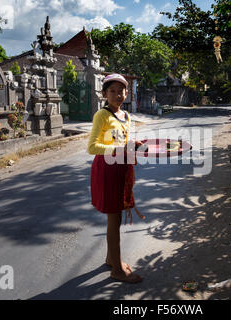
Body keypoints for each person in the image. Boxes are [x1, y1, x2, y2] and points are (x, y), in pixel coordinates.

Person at [87, 73, 144, 283]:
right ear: (104, 93)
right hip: (107, 170)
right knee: (114, 218)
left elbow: (124, 141)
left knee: (116, 216)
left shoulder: (127, 116)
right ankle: (117, 270)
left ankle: (112, 259)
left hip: (121, 169)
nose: (117, 94)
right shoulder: (101, 115)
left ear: (127, 93)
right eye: (112, 90)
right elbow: (92, 147)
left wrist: (134, 145)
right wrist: (122, 148)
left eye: (121, 91)